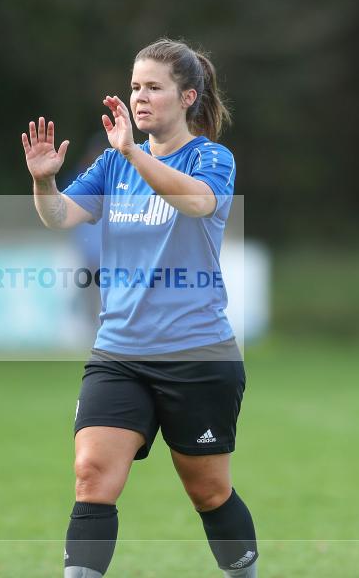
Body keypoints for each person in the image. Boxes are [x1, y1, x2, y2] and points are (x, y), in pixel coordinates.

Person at [22, 38, 258, 577]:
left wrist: (135, 153)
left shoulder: (210, 157)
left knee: (209, 491)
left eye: (154, 87)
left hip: (197, 354)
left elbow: (196, 201)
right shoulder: (112, 164)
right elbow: (60, 217)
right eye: (135, 87)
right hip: (119, 352)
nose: (140, 97)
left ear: (188, 96)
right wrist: (43, 180)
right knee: (92, 476)